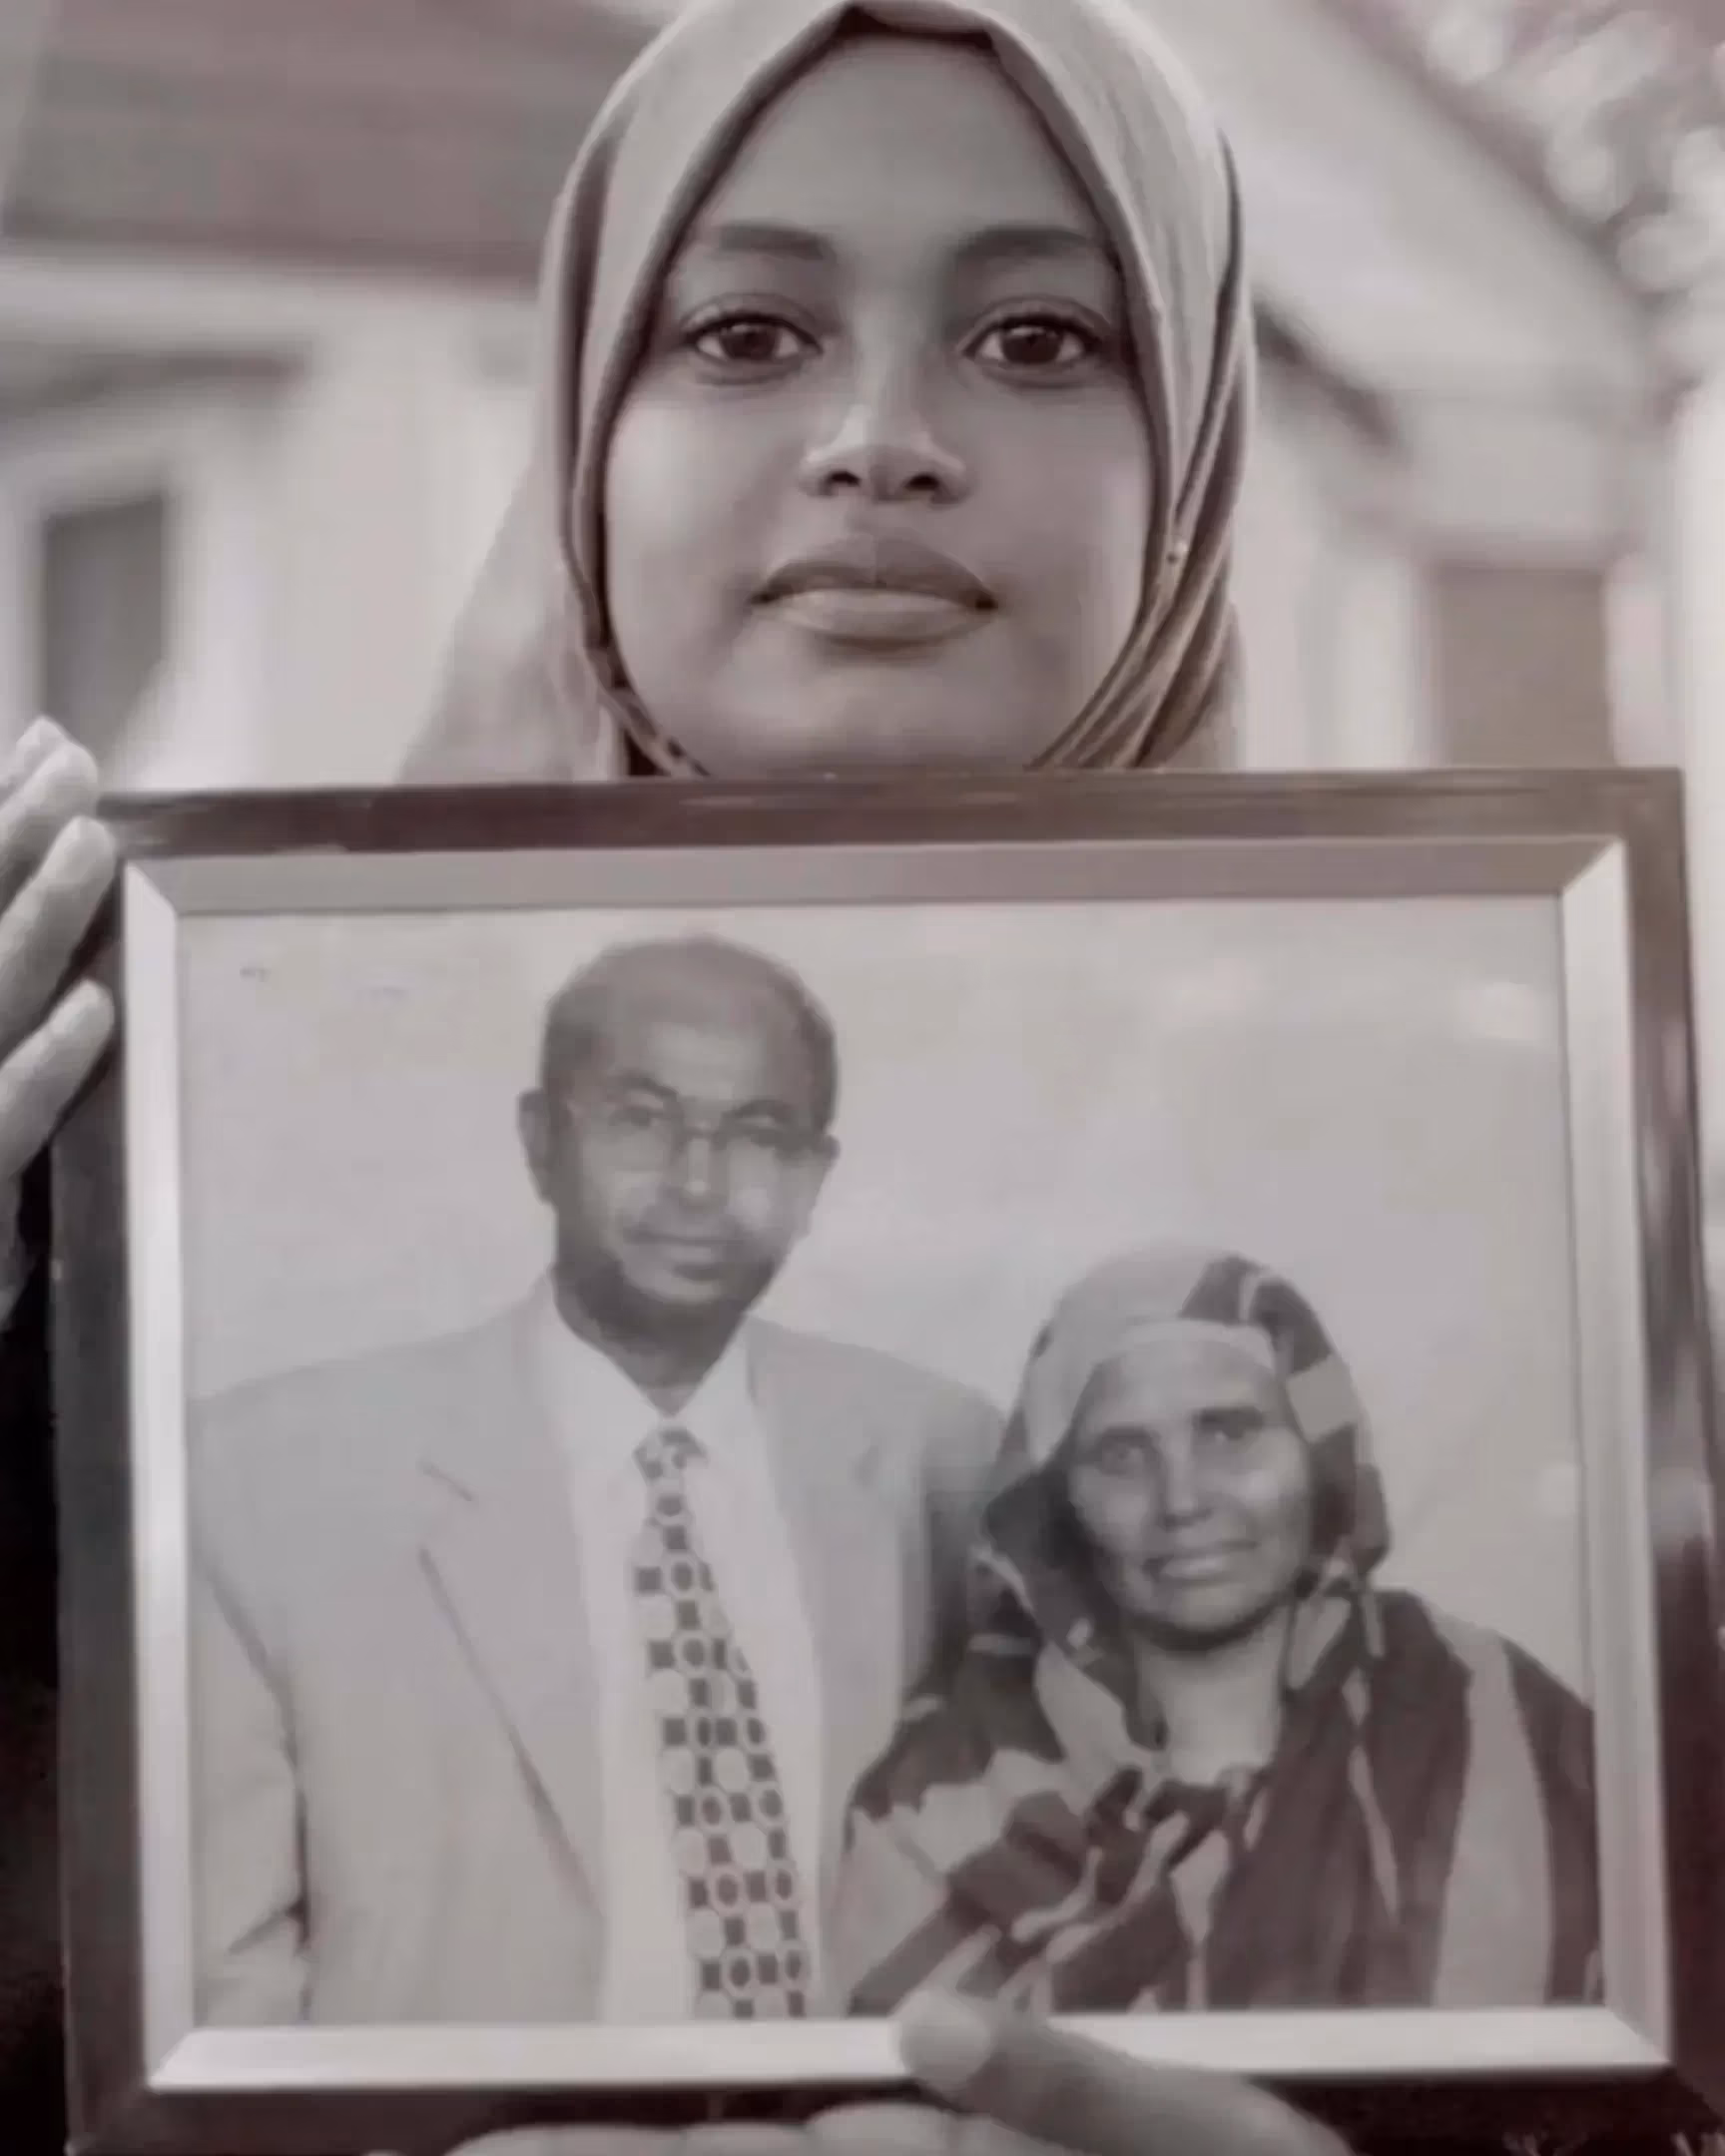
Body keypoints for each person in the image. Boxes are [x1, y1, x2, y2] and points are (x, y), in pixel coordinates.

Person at [0, 0, 1707, 2146]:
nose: (882, 438)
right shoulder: (120, 1239)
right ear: (580, 435)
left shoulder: (1566, 1283)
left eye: (1036, 342)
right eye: (738, 335)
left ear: (1190, 459)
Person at [192, 931, 1000, 2024]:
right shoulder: (268, 1480)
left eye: (759, 1135)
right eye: (640, 1120)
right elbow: (220, 1982)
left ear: (814, 1179)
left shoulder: (943, 1459)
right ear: (540, 1144)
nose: (698, 1185)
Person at [836, 1245, 1598, 2015]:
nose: (1183, 1500)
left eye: (1228, 1434)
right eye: (1122, 1453)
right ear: (1055, 1501)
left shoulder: (1485, 1714)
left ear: (1320, 1455)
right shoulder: (941, 1803)